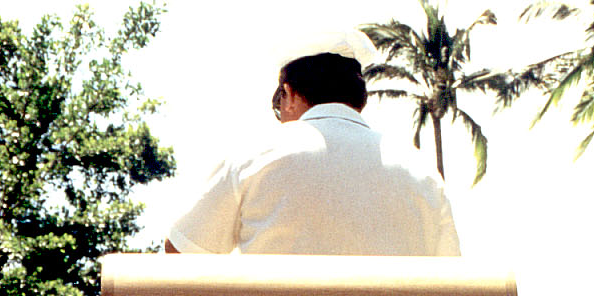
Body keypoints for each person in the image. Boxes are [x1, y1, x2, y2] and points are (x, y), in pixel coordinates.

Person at [165, 30, 459, 257]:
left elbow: (179, 253)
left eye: (277, 106)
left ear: (289, 94)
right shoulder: (421, 170)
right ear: (358, 99)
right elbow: (452, 286)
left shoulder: (253, 155)